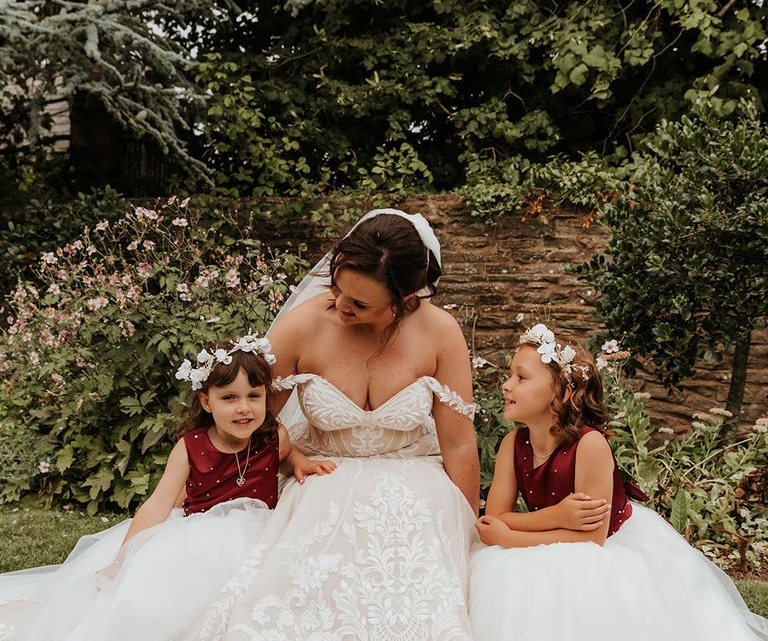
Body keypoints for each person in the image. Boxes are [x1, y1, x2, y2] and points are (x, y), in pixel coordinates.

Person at [184, 209, 483, 640]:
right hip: (321, 472)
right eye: (338, 288)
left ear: (404, 299)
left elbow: (458, 445)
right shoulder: (304, 325)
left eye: (360, 304)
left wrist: (468, 528)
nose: (341, 305)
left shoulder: (440, 333)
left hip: (415, 479)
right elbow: (249, 419)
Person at [0, 333, 335, 641]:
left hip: (261, 534)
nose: (244, 408)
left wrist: (298, 462)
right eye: (229, 397)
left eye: (254, 396)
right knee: (157, 600)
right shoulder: (191, 446)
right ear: (207, 402)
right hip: (199, 537)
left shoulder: (274, 436)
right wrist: (124, 557)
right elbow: (158, 505)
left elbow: (288, 453)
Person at [468, 323, 768, 641]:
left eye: (521, 377)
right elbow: (494, 520)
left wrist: (510, 536)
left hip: (604, 546)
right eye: (509, 375)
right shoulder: (512, 444)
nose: (506, 385)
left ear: (563, 392)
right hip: (559, 536)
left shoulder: (589, 445)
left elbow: (590, 540)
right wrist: (556, 516)